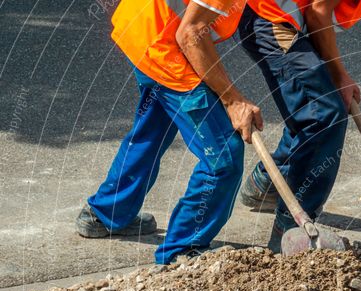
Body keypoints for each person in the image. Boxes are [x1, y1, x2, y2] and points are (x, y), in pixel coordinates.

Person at [77, 0, 263, 264]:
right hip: (163, 43)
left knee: (153, 128)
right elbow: (190, 34)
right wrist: (233, 100)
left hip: (142, 28)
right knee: (224, 157)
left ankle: (106, 212)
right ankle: (182, 253)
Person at [236, 0, 361, 250]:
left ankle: (264, 186)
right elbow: (318, 12)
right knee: (323, 114)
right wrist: (338, 73)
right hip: (268, 18)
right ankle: (290, 228)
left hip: (281, 18)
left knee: (310, 108)